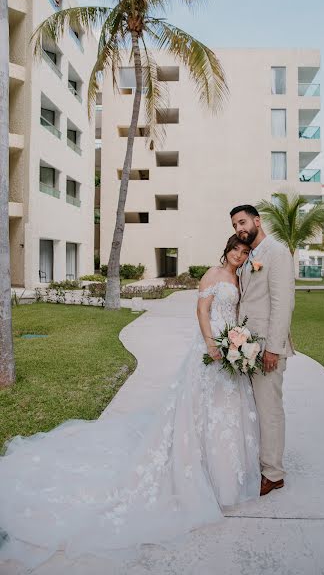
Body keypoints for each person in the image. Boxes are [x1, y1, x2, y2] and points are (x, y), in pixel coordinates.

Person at [0, 235, 260, 569]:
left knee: (226, 412)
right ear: (225, 251)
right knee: (200, 409)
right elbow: (202, 310)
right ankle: (194, 467)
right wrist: (212, 344)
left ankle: (223, 473)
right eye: (235, 250)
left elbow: (236, 311)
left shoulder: (239, 277)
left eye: (243, 252)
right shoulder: (212, 274)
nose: (238, 256)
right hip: (210, 350)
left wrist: (238, 343)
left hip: (231, 350)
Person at [231, 205, 295, 496]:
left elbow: (283, 304)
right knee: (253, 408)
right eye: (235, 225)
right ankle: (259, 461)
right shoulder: (248, 257)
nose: (239, 229)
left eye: (242, 222)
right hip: (246, 345)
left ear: (257, 221)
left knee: (269, 410)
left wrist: (273, 348)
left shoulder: (277, 252)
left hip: (266, 348)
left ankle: (273, 473)